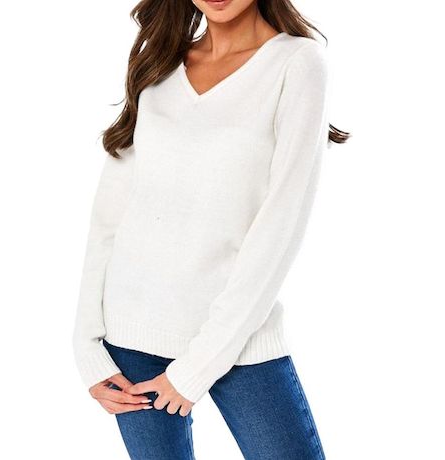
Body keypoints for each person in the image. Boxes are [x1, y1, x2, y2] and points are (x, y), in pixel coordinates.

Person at [72, 0, 350, 458]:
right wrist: (87, 348)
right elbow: (110, 214)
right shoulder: (158, 62)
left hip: (238, 340)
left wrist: (197, 368)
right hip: (131, 339)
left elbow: (280, 227)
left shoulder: (297, 64)